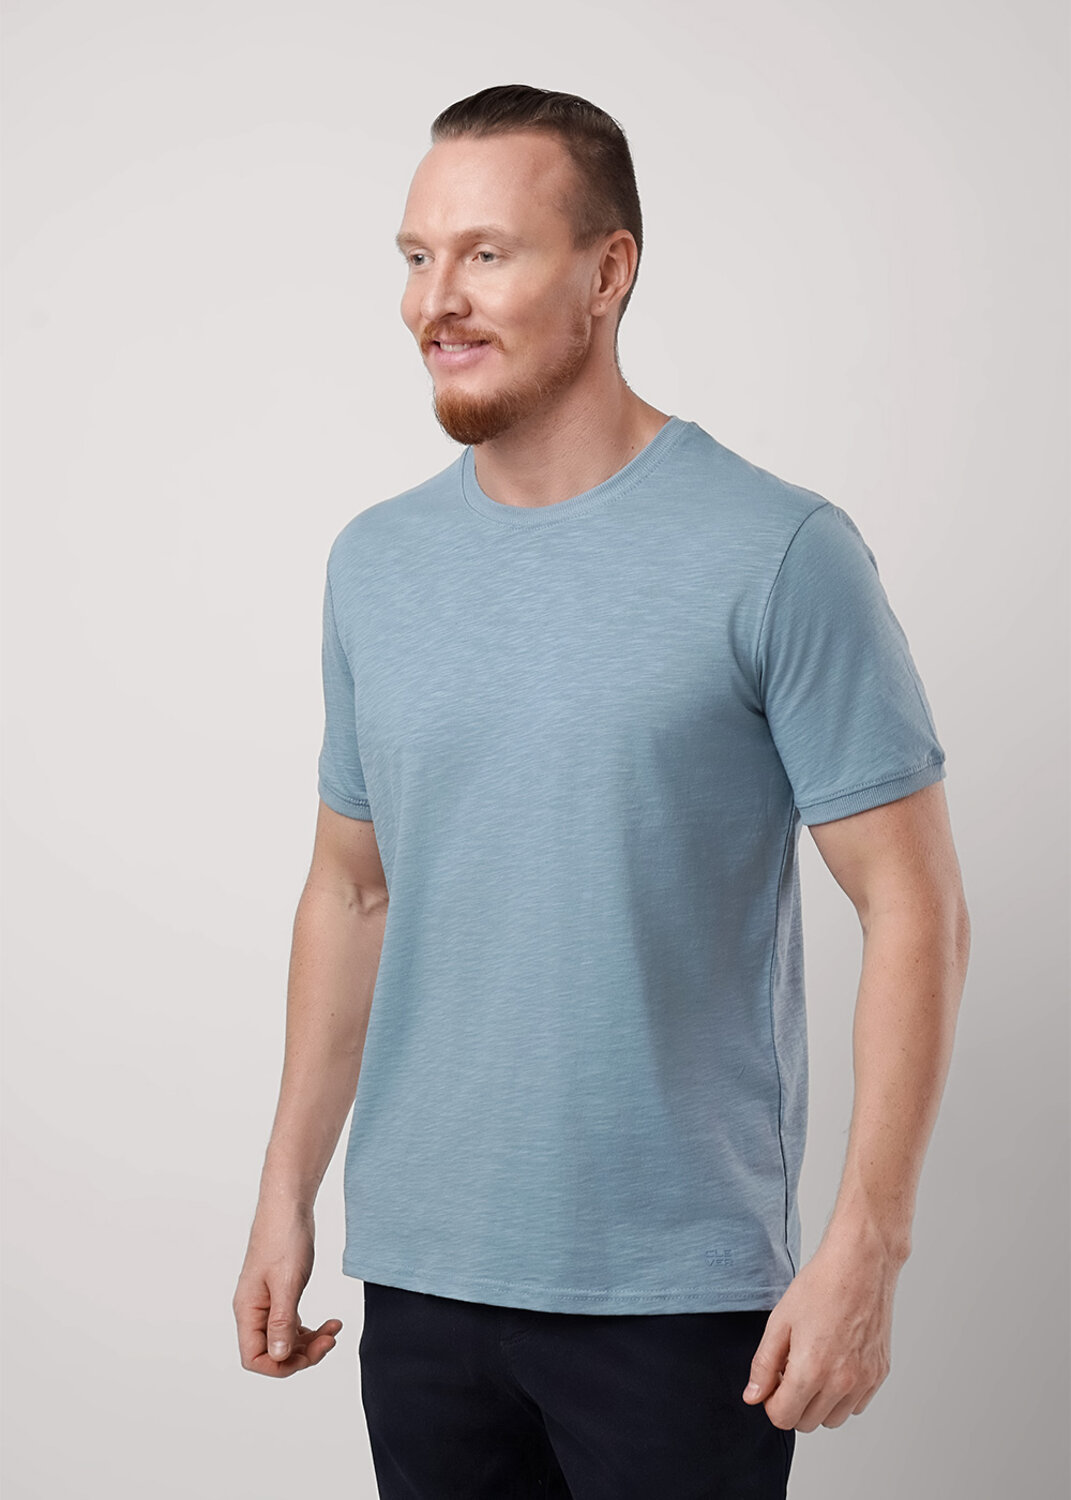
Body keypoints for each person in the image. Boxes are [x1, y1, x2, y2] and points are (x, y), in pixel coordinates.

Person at [233, 83, 971, 1498]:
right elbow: (353, 890)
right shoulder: (375, 564)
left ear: (608, 272)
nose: (435, 300)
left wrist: (866, 1247)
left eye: (487, 254)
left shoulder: (779, 550)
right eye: (416, 256)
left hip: (678, 1302)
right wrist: (286, 1192)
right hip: (423, 1284)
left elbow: (914, 906)